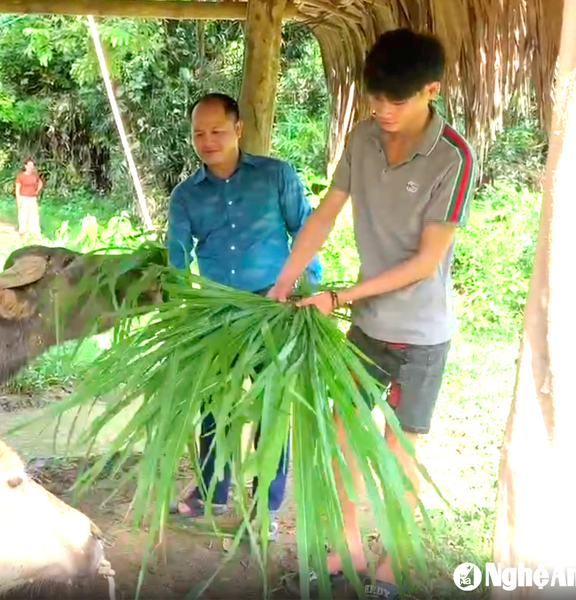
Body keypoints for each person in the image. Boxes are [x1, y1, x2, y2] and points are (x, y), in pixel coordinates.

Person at [268, 29, 480, 600]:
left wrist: (339, 297)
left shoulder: (452, 156)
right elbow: (324, 215)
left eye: (398, 100)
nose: (382, 110)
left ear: (430, 91)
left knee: (398, 452)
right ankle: (346, 549)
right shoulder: (362, 137)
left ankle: (391, 565)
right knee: (342, 438)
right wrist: (284, 281)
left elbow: (425, 261)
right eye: (375, 97)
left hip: (418, 335)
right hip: (367, 327)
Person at [166, 92, 322, 541]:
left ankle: (264, 506)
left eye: (216, 131)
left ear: (238, 129)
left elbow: (304, 231)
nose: (207, 141)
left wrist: (306, 294)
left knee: (273, 406)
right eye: (198, 133)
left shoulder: (276, 176)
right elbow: (177, 257)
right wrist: (178, 306)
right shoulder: (186, 195)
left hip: (274, 307)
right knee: (215, 406)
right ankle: (212, 491)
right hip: (216, 314)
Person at [14, 158, 43, 238]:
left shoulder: (35, 176)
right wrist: (18, 199)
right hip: (24, 198)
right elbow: (17, 189)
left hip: (32, 198)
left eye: (32, 166)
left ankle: (33, 232)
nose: (31, 167)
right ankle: (23, 232)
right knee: (24, 216)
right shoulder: (21, 176)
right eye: (29, 165)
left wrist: (37, 191)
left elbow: (40, 183)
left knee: (34, 216)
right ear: (25, 166)